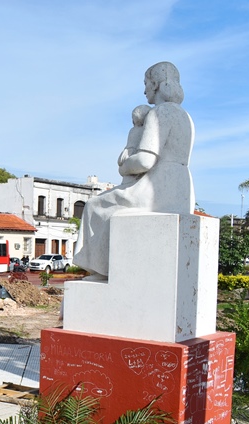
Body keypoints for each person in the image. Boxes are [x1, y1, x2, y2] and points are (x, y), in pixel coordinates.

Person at [74, 61, 194, 279]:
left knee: (93, 206)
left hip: (158, 187)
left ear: (155, 84)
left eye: (146, 83)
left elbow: (145, 161)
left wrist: (124, 167)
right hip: (182, 188)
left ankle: (101, 271)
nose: (144, 90)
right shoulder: (186, 117)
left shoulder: (159, 113)